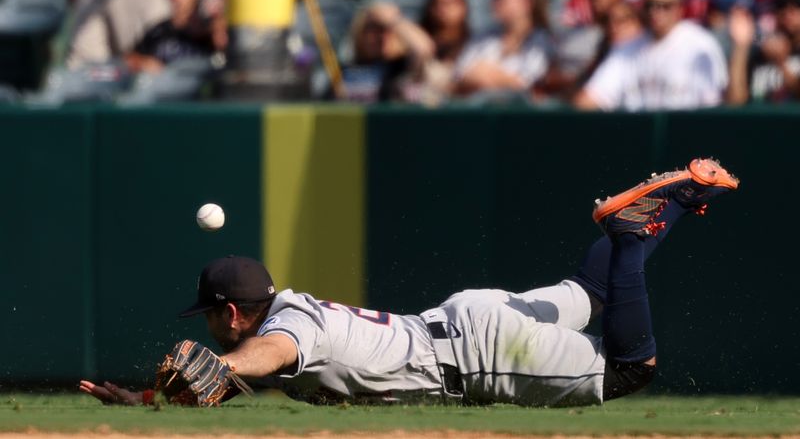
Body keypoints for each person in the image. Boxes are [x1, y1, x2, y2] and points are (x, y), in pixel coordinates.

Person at [79, 158, 739, 407]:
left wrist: (221, 365)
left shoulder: (286, 329)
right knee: (592, 293)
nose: (207, 325)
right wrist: (146, 402)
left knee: (630, 368)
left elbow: (269, 353)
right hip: (468, 316)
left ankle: (632, 231)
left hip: (482, 356)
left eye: (209, 316)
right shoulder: (294, 306)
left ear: (229, 311)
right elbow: (258, 368)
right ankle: (675, 198)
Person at [580, 0, 728, 111]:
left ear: (679, 7)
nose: (656, 12)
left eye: (665, 6)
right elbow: (589, 99)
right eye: (651, 5)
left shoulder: (700, 44)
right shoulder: (628, 47)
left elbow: (712, 106)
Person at [453, 0, 554, 97]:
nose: (493, 2)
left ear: (525, 3)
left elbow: (528, 86)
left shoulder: (542, 41)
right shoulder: (483, 36)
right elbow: (459, 75)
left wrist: (486, 73)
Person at [126, 0, 226, 74]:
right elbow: (129, 59)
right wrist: (143, 63)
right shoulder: (159, 31)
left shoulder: (213, 25)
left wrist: (218, 30)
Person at [573, 1, 648, 110]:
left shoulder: (650, 46)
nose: (613, 27)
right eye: (608, 22)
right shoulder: (613, 55)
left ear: (639, 22)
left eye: (621, 20)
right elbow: (583, 102)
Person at [727, 0, 800, 104]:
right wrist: (740, 47)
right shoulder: (759, 55)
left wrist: (781, 64)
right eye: (781, 6)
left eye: (796, 5)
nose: (788, 12)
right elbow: (735, 101)